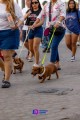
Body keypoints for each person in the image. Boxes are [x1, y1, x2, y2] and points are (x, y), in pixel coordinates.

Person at [32, 0, 66, 69]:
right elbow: (40, 15)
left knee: (53, 46)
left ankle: (51, 64)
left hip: (59, 28)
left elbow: (63, 15)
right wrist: (35, 23)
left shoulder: (61, 3)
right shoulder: (46, 5)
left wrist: (58, 22)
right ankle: (57, 64)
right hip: (50, 28)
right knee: (54, 46)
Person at [0, 0, 24, 88]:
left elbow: (21, 18)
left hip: (9, 32)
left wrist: (17, 26)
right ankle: (5, 69)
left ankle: (6, 80)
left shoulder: (13, 4)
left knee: (6, 55)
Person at [25, 0, 43, 66]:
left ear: (38, 3)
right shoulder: (29, 11)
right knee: (31, 49)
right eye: (32, 3)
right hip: (31, 30)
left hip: (38, 30)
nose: (34, 4)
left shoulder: (41, 11)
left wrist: (34, 25)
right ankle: (37, 58)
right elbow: (27, 23)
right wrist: (30, 26)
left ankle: (37, 63)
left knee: (35, 47)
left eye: (36, 2)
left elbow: (42, 22)